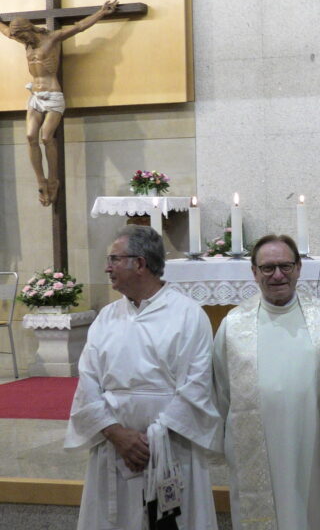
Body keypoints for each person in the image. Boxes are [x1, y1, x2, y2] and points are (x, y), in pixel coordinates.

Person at [65, 225, 221, 529]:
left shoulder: (187, 314)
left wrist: (153, 439)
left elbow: (197, 385)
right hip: (113, 444)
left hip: (171, 445)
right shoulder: (106, 318)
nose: (107, 267)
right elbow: (88, 382)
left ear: (140, 263)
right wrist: (115, 433)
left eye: (114, 259)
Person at [213, 234, 320, 530]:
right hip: (256, 449)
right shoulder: (234, 325)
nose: (277, 275)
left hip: (312, 444)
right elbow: (221, 390)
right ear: (254, 272)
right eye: (268, 268)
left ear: (298, 268)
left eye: (285, 266)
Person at [1, 0, 118, 206]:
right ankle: (41, 179)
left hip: (53, 95)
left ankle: (53, 179)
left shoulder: (51, 39)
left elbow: (79, 27)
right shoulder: (25, 41)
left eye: (22, 36)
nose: (21, 41)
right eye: (17, 37)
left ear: (29, 30)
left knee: (46, 137)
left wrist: (101, 13)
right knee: (30, 136)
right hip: (35, 96)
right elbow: (5, 31)